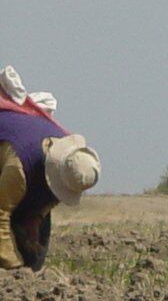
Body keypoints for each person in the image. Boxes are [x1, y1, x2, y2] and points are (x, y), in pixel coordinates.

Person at [0, 69, 98, 272]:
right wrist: (15, 271)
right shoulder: (18, 166)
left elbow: (50, 197)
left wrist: (35, 219)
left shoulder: (65, 149)